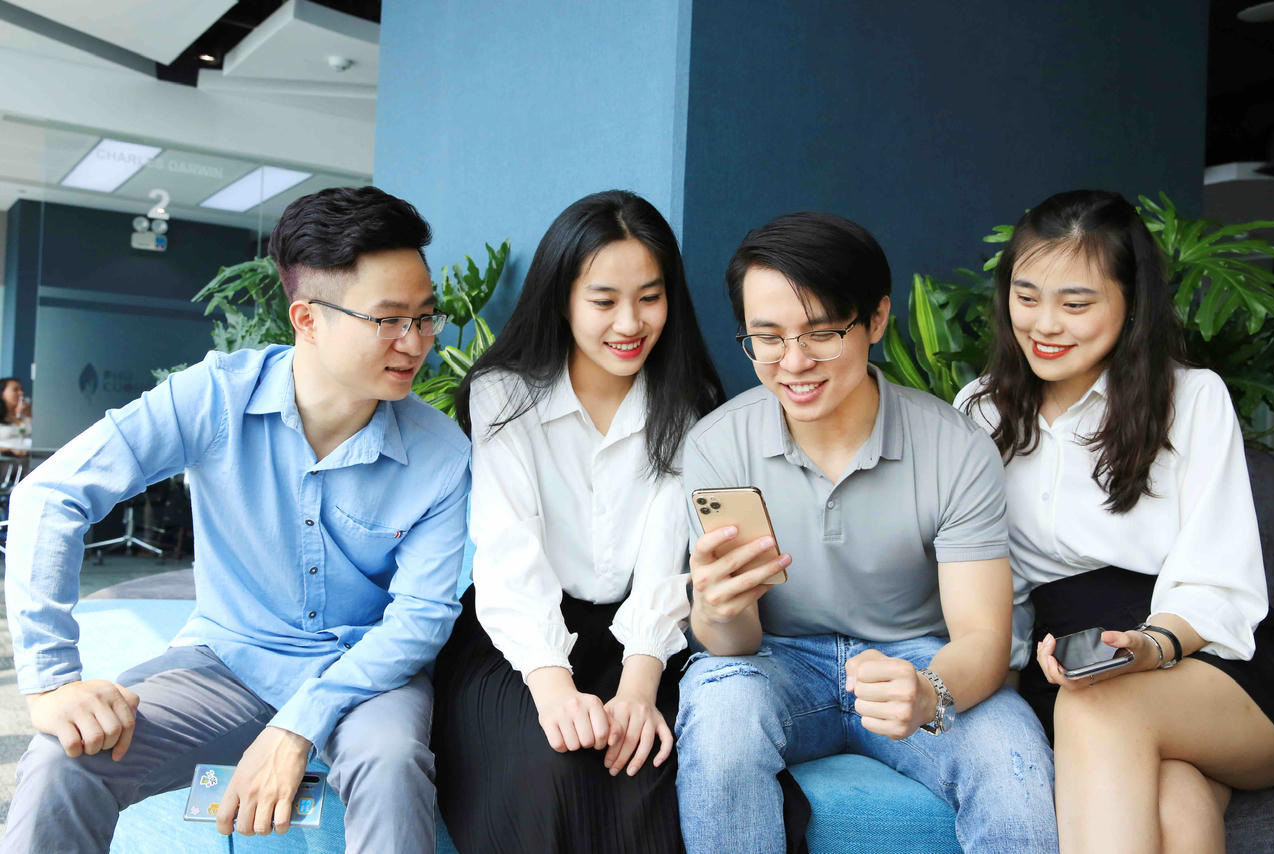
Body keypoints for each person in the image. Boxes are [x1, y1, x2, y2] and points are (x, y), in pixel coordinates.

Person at [0, 186, 470, 854]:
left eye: (426, 317)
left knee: (391, 765)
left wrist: (297, 725)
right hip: (228, 662)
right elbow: (50, 495)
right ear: (307, 319)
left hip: (365, 676)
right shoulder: (217, 396)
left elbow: (418, 620)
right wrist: (50, 680)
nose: (416, 342)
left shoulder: (441, 453)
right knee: (63, 758)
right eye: (389, 319)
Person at [676, 211, 1058, 854]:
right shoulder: (718, 446)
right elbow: (735, 645)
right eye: (767, 338)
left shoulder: (955, 448)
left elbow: (983, 639)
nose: (794, 362)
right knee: (720, 715)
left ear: (877, 319)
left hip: (918, 659)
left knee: (1012, 760)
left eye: (822, 333)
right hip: (776, 661)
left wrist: (930, 692)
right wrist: (715, 611)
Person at [957, 189, 1274, 854]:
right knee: (1176, 804)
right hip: (1063, 661)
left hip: (1206, 661)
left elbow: (1219, 580)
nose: (1045, 324)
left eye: (1076, 304)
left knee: (1099, 701)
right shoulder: (979, 412)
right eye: (1026, 296)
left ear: (1131, 302)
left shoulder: (1191, 400)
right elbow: (984, 578)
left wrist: (1150, 648)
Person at [431, 189, 723, 853]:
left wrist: (639, 690)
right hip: (520, 639)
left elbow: (666, 565)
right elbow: (508, 555)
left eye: (650, 297)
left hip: (643, 640)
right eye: (604, 300)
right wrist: (554, 690)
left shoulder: (689, 403)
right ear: (562, 299)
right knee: (549, 769)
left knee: (647, 768)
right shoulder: (504, 395)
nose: (630, 322)